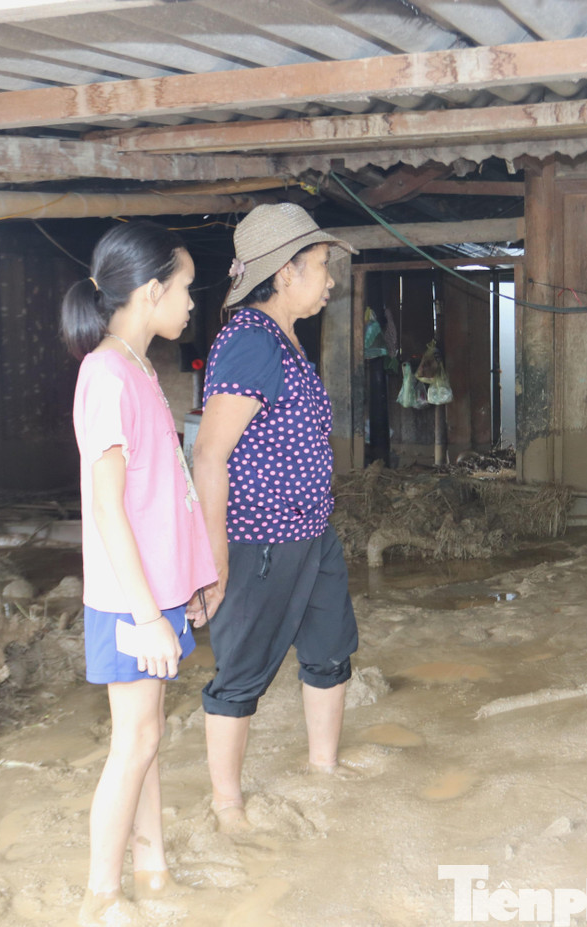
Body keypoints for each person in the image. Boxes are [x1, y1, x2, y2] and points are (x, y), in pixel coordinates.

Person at [63, 221, 218, 925]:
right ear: (153, 290)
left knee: (150, 732)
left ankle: (151, 867)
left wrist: (182, 588)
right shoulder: (105, 375)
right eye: (185, 287)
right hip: (130, 601)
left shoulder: (138, 368)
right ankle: (101, 892)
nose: (192, 302)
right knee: (136, 740)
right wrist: (148, 612)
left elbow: (164, 495)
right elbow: (107, 508)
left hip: (154, 593)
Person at [192, 203, 360, 832]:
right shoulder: (251, 341)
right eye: (321, 266)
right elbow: (208, 453)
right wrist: (213, 555)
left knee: (329, 651)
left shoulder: (283, 336)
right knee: (240, 673)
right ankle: (227, 806)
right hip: (261, 538)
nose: (330, 279)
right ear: (286, 272)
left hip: (312, 532)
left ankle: (324, 771)